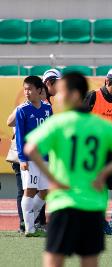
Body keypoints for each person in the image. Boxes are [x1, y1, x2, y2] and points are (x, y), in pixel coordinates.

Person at [23, 72, 112, 267]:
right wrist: (104, 172)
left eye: (61, 92)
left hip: (64, 202)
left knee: (54, 260)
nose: (57, 96)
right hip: (93, 205)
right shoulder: (102, 126)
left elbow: (30, 148)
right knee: (89, 261)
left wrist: (52, 178)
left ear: (74, 95)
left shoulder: (59, 123)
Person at [15, 76, 53, 237]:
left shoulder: (47, 109)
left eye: (30, 89)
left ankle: (30, 220)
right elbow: (19, 137)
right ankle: (29, 228)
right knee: (30, 190)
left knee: (45, 191)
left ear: (40, 90)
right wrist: (22, 159)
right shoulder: (22, 110)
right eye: (25, 89)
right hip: (30, 158)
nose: (27, 92)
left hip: (45, 157)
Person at [84, 67, 112, 190]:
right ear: (107, 81)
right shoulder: (93, 95)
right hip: (91, 147)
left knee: (108, 185)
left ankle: (99, 208)